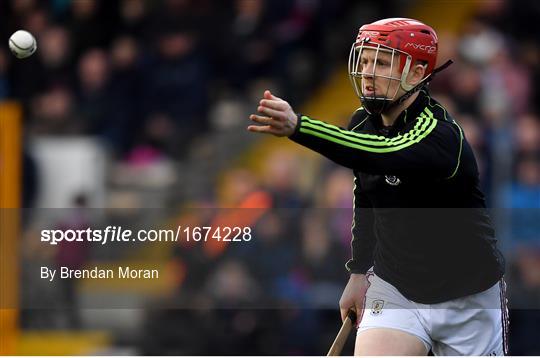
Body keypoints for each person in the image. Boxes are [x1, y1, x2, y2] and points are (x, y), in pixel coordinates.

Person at [247, 18, 508, 356]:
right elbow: (368, 199)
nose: (369, 71)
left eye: (382, 62)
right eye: (366, 59)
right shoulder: (362, 124)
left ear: (416, 74)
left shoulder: (439, 135)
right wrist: (359, 274)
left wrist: (299, 126)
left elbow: (381, 155)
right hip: (395, 288)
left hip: (468, 297)